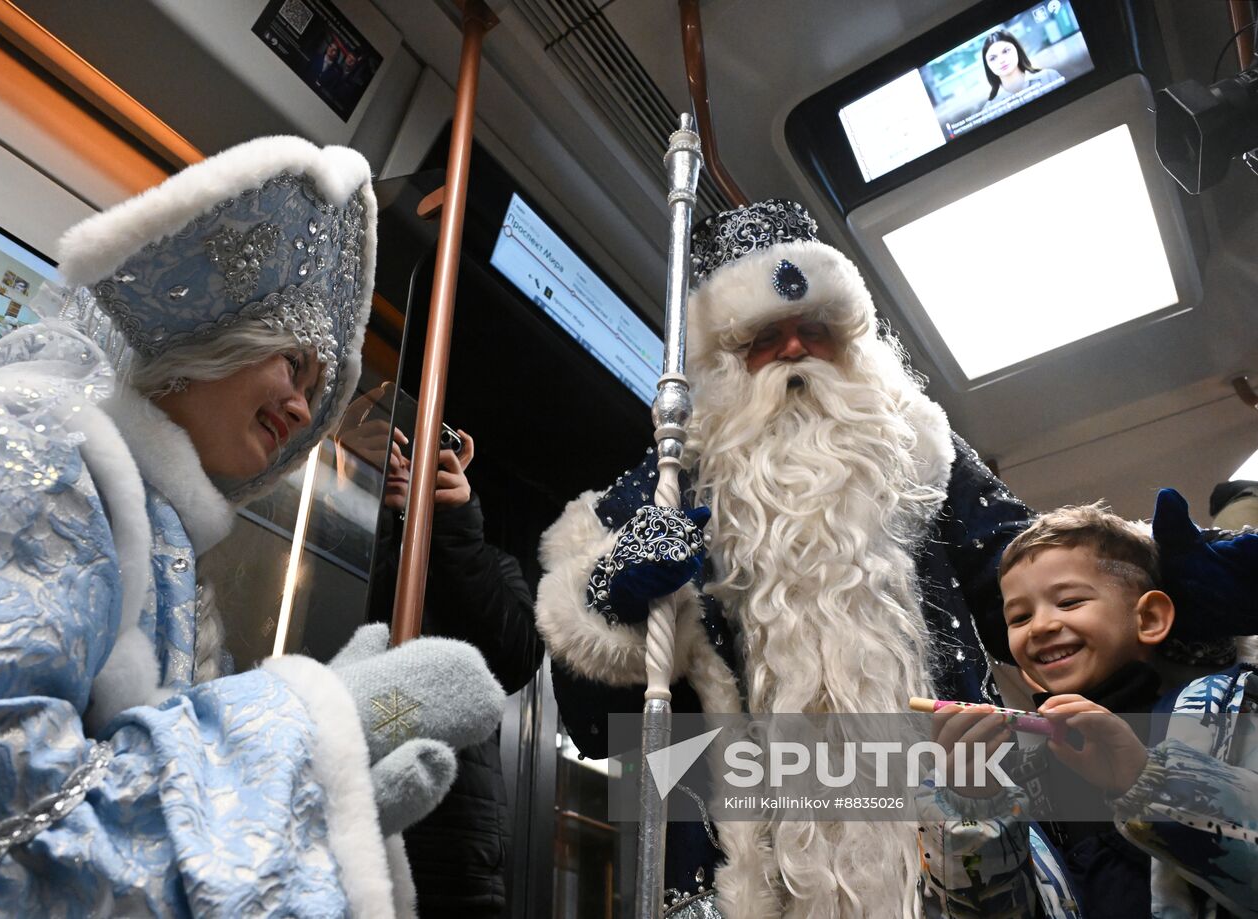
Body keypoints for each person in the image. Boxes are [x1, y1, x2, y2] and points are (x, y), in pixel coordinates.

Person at [0, 136, 506, 917]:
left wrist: (316, 798)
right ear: (219, 336)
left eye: (315, 391)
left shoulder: (166, 555)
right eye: (291, 363)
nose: (301, 407)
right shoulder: (39, 450)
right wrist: (303, 730)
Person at [534, 199, 1037, 918]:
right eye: (766, 336)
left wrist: (1149, 589)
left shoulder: (921, 455)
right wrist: (611, 601)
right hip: (745, 875)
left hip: (957, 858)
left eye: (816, 328)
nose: (796, 349)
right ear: (725, 359)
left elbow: (1043, 578)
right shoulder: (669, 487)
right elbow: (590, 723)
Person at [917, 501, 1257, 918]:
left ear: (1149, 618)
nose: (1040, 626)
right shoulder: (1018, 768)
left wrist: (1148, 781)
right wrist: (972, 812)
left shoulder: (1231, 713)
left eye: (1069, 602)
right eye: (1019, 617)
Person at [363, 424, 543, 917]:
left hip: (455, 837)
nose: (401, 466)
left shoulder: (486, 559)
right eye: (393, 453)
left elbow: (517, 658)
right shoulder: (350, 538)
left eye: (414, 455)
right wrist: (373, 503)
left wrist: (456, 526)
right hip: (356, 808)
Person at [979, 29, 1062, 108]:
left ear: (1017, 49)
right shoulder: (989, 107)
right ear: (987, 65)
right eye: (993, 58)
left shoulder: (1049, 76)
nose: (1001, 60)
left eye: (1006, 51)